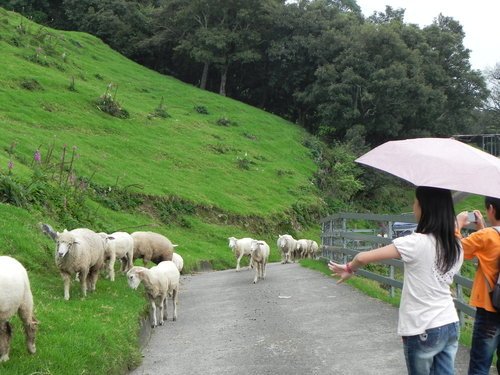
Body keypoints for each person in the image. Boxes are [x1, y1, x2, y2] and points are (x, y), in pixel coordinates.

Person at [329, 186, 463, 375]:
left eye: (415, 202)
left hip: (422, 326)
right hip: (449, 322)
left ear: (424, 208)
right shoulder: (456, 245)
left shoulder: (415, 242)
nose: (413, 206)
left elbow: (362, 257)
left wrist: (350, 268)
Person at [456, 196, 500, 375]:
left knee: (480, 365)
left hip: (491, 309)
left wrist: (457, 225)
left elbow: (455, 249)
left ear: (491, 209)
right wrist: (482, 228)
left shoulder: (486, 236)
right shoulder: (486, 235)